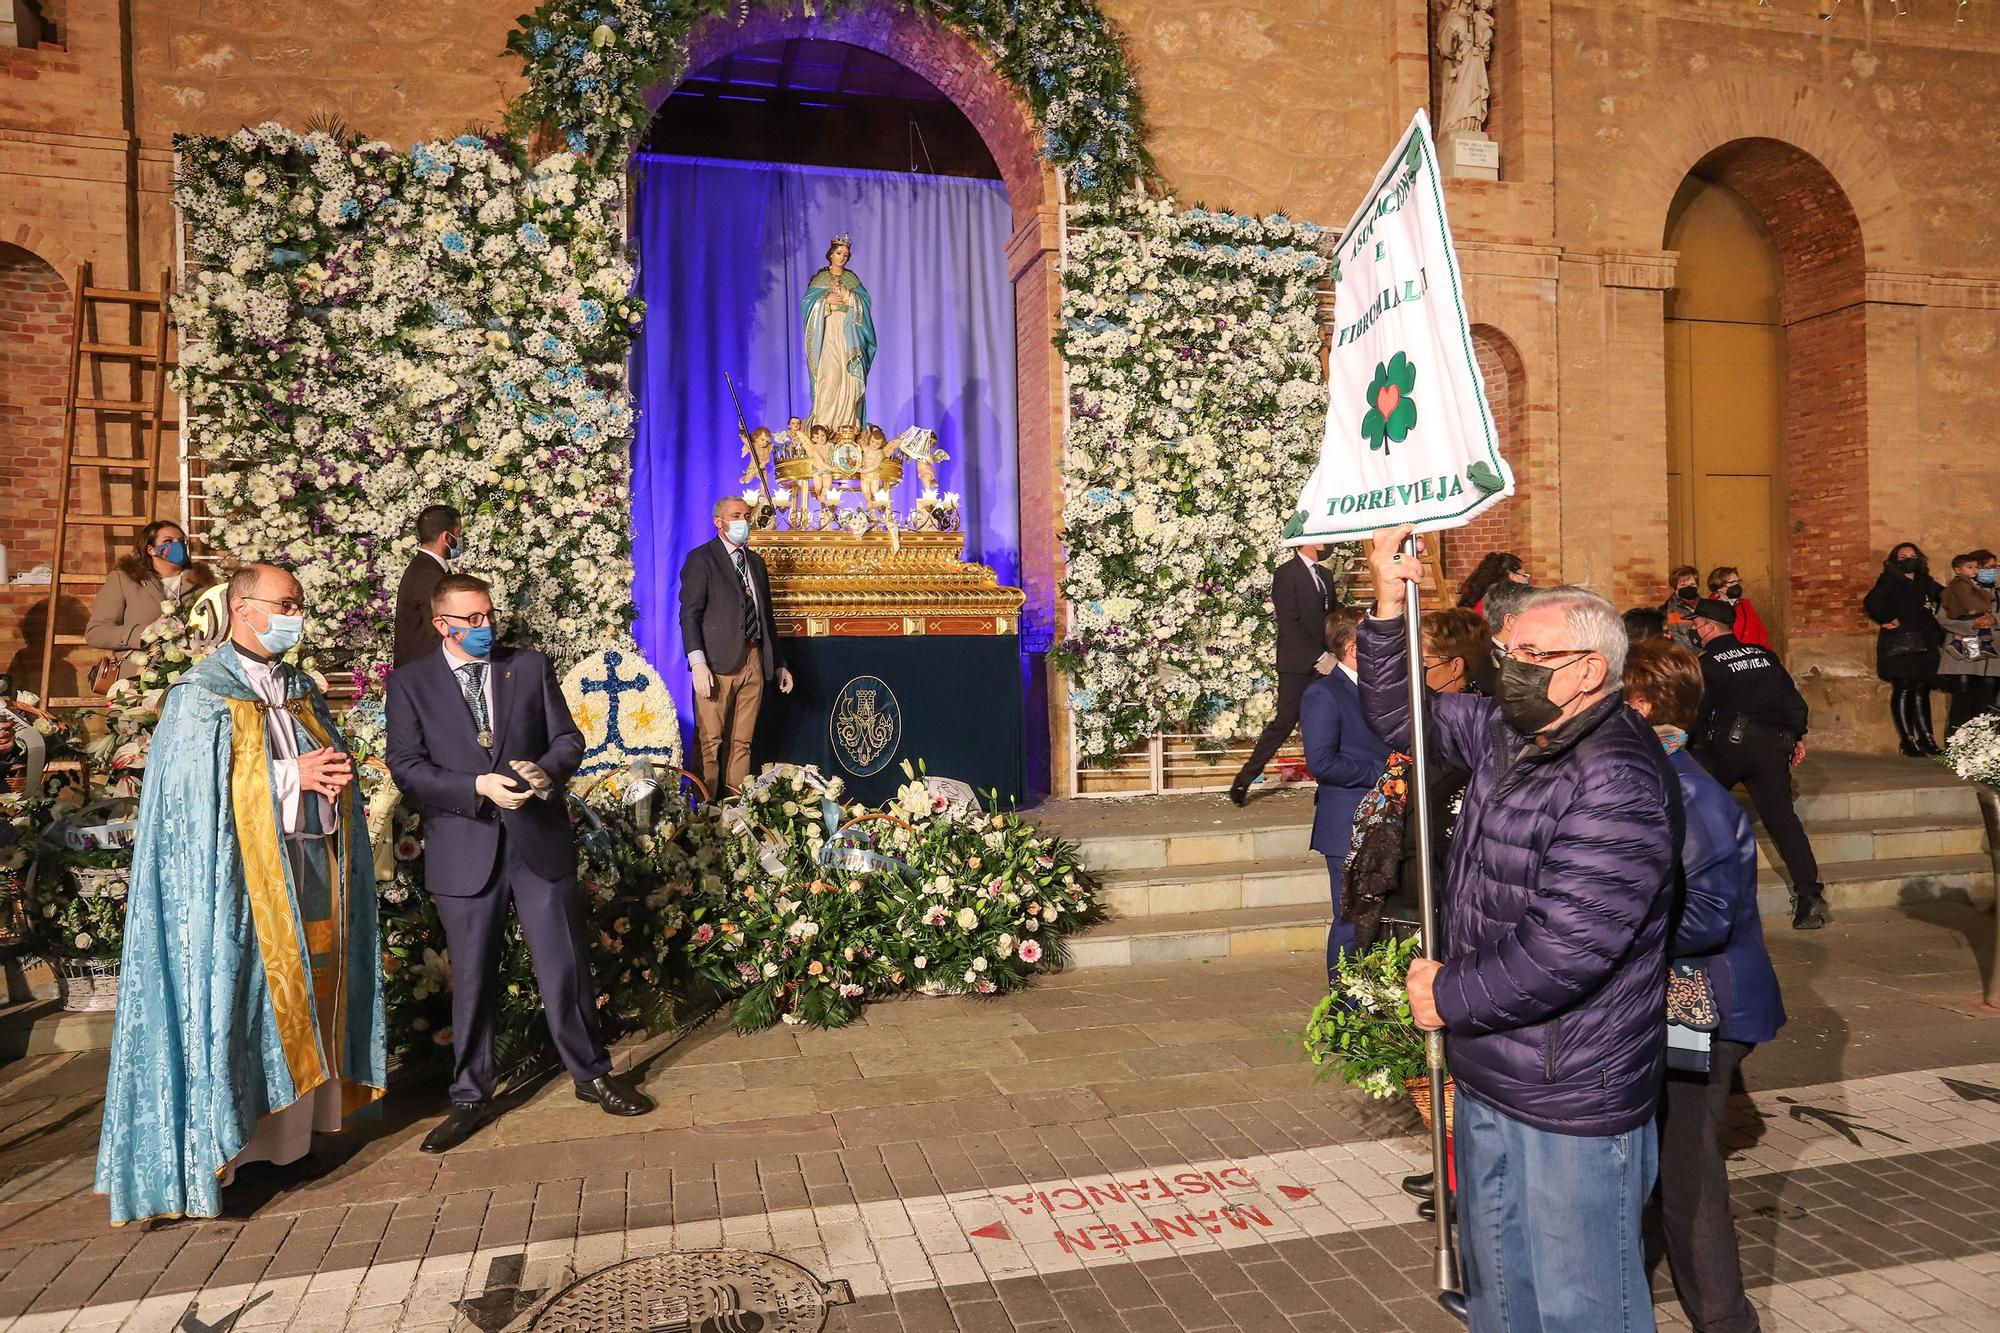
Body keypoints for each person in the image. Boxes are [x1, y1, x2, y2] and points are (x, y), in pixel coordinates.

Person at [1362, 526, 1679, 1333]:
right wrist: (1385, 597)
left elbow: (1567, 947)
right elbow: (1405, 716)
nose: (1508, 665)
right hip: (1496, 1069)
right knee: (1503, 1295)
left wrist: (1447, 995)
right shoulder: (1516, 732)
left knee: (1581, 1307)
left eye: (1529, 654)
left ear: (1587, 671)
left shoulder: (1615, 777)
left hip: (1568, 1087)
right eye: (1505, 649)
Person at [96, 564, 385, 1224]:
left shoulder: (300, 688)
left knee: (302, 1001)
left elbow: (316, 763)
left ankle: (294, 1143)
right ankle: (236, 1153)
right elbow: (192, 800)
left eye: (300, 603)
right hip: (237, 887)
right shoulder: (199, 696)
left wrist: (333, 775)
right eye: (285, 603)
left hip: (308, 872)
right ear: (242, 608)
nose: (296, 614)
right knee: (243, 1008)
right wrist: (291, 775)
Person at [386, 574, 654, 1154]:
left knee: (564, 967)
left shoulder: (527, 668)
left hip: (536, 842)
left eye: (488, 616)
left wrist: (544, 772)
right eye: (472, 620)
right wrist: (474, 784)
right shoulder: (410, 683)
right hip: (466, 851)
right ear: (443, 625)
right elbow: (406, 767)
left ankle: (593, 1074)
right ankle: (469, 1097)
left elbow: (568, 739)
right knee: (473, 980)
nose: (486, 627)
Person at [1623, 639, 1784, 1333]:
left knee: (1689, 1172)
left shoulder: (1690, 791)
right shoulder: (1660, 777)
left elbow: (1708, 917)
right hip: (1686, 997)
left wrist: (1614, 923)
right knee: (1667, 1159)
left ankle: (1725, 1319)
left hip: (1699, 1006)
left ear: (1643, 704)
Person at [1688, 598, 1827, 929]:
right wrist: (1796, 737)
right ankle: (1810, 896)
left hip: (1727, 747)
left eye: (1696, 625)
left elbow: (1698, 711)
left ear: (1708, 627)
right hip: (1772, 746)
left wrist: (1689, 746)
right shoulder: (1764, 655)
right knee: (1783, 822)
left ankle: (1699, 893)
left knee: (1694, 811)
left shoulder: (1707, 663)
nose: (1694, 630)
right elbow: (1793, 700)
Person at [679, 497, 793, 799]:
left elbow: (765, 615)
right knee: (710, 740)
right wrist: (697, 663)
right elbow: (689, 614)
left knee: (742, 741)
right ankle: (704, 814)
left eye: (746, 515)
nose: (744, 520)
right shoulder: (701, 559)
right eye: (736, 515)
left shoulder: (755, 562)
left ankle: (733, 809)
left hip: (754, 659)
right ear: (719, 522)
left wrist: (778, 662)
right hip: (716, 664)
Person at [1300, 606, 1391, 976]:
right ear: (1353, 647)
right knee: (1352, 920)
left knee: (1383, 918)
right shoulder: (1324, 694)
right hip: (1349, 823)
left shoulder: (1386, 689)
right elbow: (1322, 763)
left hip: (1389, 818)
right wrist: (1386, 770)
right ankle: (1346, 1009)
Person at [1229, 542, 1339, 805]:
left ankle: (1327, 786)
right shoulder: (1287, 573)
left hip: (1327, 662)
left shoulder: (1325, 575)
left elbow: (1332, 615)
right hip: (1298, 664)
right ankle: (1246, 777)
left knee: (1328, 724)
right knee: (1285, 721)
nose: (1329, 543)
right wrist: (1319, 656)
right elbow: (1290, 624)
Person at [86, 520, 216, 679]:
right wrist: (146, 633)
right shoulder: (125, 580)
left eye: (181, 541)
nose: (178, 546)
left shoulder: (202, 583)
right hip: (140, 679)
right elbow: (96, 633)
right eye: (168, 541)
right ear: (151, 549)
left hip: (189, 676)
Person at [1862, 540, 1945, 757]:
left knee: (1922, 689)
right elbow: (1871, 602)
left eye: (1912, 555)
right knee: (1904, 687)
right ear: (1895, 561)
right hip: (1901, 643)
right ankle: (1907, 741)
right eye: (1902, 557)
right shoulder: (1890, 580)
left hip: (1925, 642)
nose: (1908, 559)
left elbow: (1947, 596)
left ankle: (1926, 738)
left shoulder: (1926, 582)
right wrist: (1888, 618)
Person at [1936, 549, 1999, 741]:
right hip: (1964, 650)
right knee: (1963, 696)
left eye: (1994, 567)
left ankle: (1984, 744)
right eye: (1984, 567)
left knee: (1987, 700)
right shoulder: (1957, 590)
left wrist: (1992, 620)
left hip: (1993, 652)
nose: (1990, 571)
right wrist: (1971, 624)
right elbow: (1943, 619)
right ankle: (1957, 742)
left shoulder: (1996, 592)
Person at [393, 504, 461, 669]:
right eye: (459, 534)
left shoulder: (423, 567)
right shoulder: (429, 576)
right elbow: (439, 633)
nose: (460, 540)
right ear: (446, 537)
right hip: (424, 676)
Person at [1705, 566, 1773, 651]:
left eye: (1737, 581)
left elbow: (1760, 632)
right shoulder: (1709, 608)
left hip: (1752, 655)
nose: (1736, 585)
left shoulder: (1745, 604)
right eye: (1732, 582)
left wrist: (1768, 653)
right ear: (1719, 587)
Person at [1454, 550, 1526, 617]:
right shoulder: (1503, 604)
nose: (1525, 580)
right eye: (1524, 576)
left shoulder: (1482, 596)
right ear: (1512, 575)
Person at [1659, 565, 1704, 652]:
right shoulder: (1665, 610)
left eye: (1692, 584)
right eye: (1683, 585)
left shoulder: (1707, 607)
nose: (1688, 587)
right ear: (1675, 588)